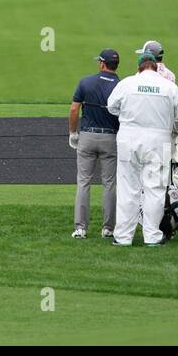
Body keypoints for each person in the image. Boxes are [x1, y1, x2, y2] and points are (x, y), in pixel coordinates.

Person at [105, 52, 178, 246]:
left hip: (129, 137)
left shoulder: (127, 83)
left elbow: (111, 106)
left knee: (128, 189)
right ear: (156, 66)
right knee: (155, 190)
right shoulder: (169, 87)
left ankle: (124, 236)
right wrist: (173, 128)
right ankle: (152, 236)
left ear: (139, 67)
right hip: (160, 139)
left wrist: (126, 116)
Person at [68, 49, 121, 239]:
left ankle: (81, 228)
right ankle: (108, 228)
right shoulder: (122, 86)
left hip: (88, 137)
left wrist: (73, 133)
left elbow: (74, 110)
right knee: (109, 185)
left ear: (101, 64)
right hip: (111, 138)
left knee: (83, 182)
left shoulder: (86, 82)